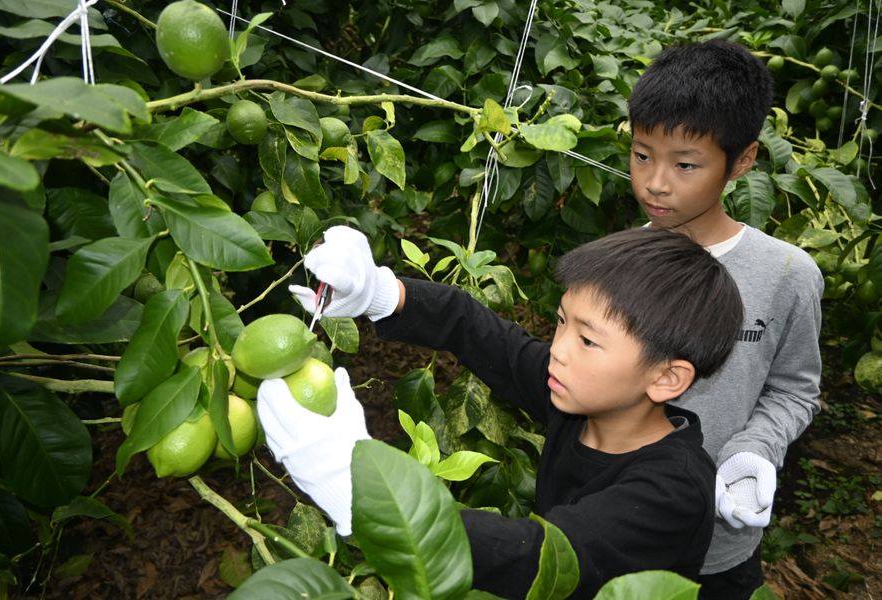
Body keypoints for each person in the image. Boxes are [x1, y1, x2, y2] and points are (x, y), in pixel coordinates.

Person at [257, 225, 745, 599]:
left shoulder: (674, 492)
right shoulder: (586, 403)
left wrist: (362, 494)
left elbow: (540, 558)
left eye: (588, 339)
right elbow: (479, 332)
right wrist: (383, 294)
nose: (559, 350)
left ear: (666, 378)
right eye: (561, 323)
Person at [626, 39, 825, 599]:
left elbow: (793, 390)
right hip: (609, 529)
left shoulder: (787, 274)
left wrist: (754, 449)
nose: (656, 182)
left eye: (685, 164)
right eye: (642, 155)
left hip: (717, 545)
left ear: (742, 161)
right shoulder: (610, 264)